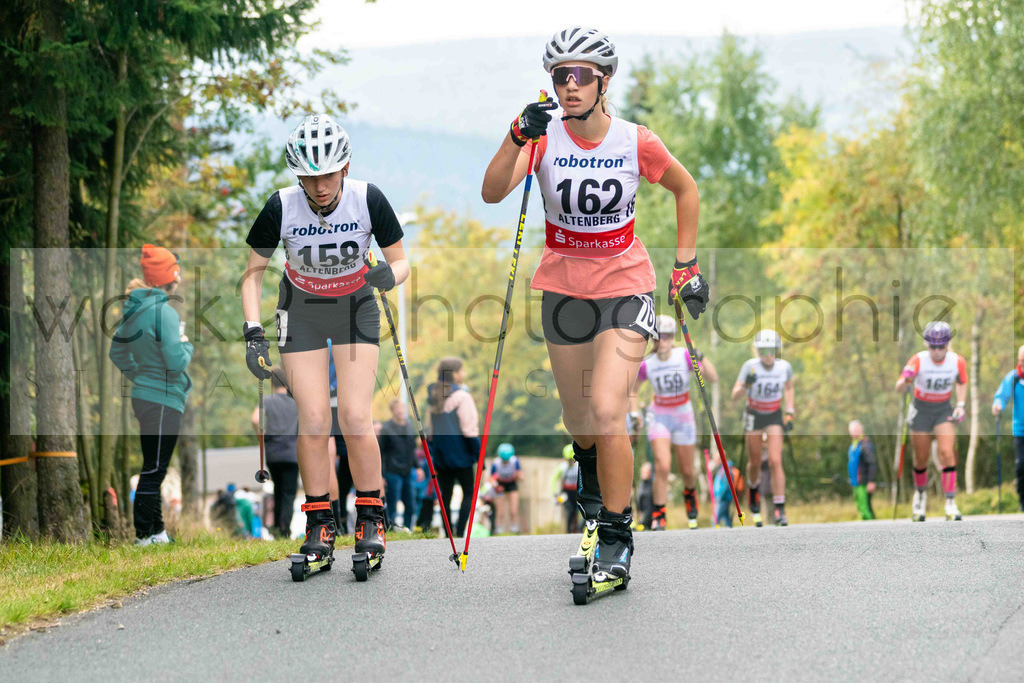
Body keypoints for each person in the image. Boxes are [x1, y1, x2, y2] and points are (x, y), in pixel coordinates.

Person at [481, 26, 706, 583]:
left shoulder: (635, 140)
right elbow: (491, 192)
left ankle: (615, 535)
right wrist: (514, 136)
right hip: (562, 287)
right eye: (560, 76)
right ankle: (589, 488)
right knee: (579, 420)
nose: (570, 85)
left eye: (582, 75)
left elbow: (686, 189)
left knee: (610, 411)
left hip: (627, 284)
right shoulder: (542, 135)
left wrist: (687, 266)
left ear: (605, 80)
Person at [241, 114, 407, 567]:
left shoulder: (368, 199)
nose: (320, 186)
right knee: (313, 418)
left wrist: (388, 276)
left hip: (355, 306)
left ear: (345, 168)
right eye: (310, 177)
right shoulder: (281, 206)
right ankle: (318, 524)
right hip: (300, 311)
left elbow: (402, 262)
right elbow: (252, 276)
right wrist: (253, 330)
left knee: (354, 415)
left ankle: (371, 518)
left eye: (329, 175)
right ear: (299, 174)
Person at [109, 245, 193, 546]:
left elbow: (117, 353)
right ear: (169, 277)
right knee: (155, 468)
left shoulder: (133, 311)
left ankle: (157, 533)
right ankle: (144, 535)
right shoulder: (165, 314)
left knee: (154, 465)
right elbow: (177, 362)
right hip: (162, 399)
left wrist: (140, 377)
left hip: (147, 396)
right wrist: (186, 344)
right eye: (176, 269)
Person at [630, 315, 717, 530]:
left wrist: (701, 357)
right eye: (658, 338)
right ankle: (660, 513)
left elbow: (712, 378)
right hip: (659, 415)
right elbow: (632, 390)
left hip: (683, 415)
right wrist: (635, 414)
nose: (663, 342)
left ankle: (690, 498)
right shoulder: (647, 363)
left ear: (673, 337)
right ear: (653, 340)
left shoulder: (684, 355)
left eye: (667, 337)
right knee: (663, 466)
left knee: (687, 470)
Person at [896, 321, 968, 522]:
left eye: (941, 347)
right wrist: (905, 380)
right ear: (927, 345)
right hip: (921, 410)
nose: (937, 351)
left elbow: (962, 382)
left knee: (946, 452)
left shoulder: (957, 361)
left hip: (943, 409)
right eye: (933, 346)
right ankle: (919, 497)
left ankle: (950, 502)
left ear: (947, 345)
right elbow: (899, 387)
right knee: (921, 457)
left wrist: (960, 404)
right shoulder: (918, 360)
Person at [731, 329, 795, 527]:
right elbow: (735, 395)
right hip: (754, 415)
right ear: (758, 351)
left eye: (772, 350)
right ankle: (753, 489)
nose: (768, 355)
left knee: (776, 460)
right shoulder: (750, 367)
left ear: (777, 350)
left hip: (774, 414)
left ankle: (779, 508)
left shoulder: (784, 367)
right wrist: (745, 386)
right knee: (755, 461)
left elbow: (789, 387)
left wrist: (790, 411)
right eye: (763, 350)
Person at [427, 357, 481, 537]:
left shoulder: (434, 396)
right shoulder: (462, 396)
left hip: (441, 455)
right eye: (462, 370)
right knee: (469, 494)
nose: (463, 374)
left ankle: (448, 531)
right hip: (462, 453)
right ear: (455, 374)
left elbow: (431, 431)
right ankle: (459, 532)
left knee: (445, 496)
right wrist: (478, 453)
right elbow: (469, 429)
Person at [251, 367, 299, 538]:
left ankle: (278, 528)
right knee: (288, 492)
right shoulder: (295, 401)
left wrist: (261, 437)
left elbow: (256, 419)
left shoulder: (268, 400)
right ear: (287, 382)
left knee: (278, 488)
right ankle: (284, 528)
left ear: (272, 382)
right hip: (292, 452)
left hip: (272, 452)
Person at [991, 344, 1024, 512]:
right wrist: (998, 405)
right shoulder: (1014, 378)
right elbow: (1001, 396)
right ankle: (1022, 499)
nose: (1023, 365)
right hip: (1020, 430)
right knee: (1020, 466)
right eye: (1021, 361)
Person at [379, 398, 418, 530]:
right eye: (398, 409)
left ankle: (407, 529)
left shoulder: (409, 425)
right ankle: (391, 528)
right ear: (393, 411)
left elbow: (412, 448)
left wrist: (417, 467)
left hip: (407, 470)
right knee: (392, 503)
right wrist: (381, 475)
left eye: (402, 408)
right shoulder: (386, 428)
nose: (401, 411)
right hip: (392, 471)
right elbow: (380, 452)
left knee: (411, 503)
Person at [847, 420, 877, 520]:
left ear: (861, 429)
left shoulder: (865, 444)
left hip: (864, 482)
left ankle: (874, 530)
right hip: (855, 482)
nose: (853, 432)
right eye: (851, 430)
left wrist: (871, 481)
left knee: (866, 509)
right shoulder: (853, 445)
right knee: (860, 508)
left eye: (855, 429)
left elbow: (871, 464)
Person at [490, 443, 523, 533]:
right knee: (500, 511)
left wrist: (516, 476)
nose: (505, 462)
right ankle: (499, 530)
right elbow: (491, 479)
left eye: (507, 460)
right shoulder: (496, 463)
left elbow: (520, 476)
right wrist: (496, 485)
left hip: (512, 485)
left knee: (514, 510)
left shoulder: (514, 461)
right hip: (500, 486)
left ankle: (515, 529)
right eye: (504, 461)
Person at [553, 443, 580, 533]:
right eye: (568, 460)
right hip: (565, 493)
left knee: (577, 511)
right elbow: (553, 480)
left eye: (572, 460)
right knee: (570, 510)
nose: (570, 462)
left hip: (576, 492)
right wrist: (555, 493)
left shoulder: (578, 466)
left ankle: (577, 529)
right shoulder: (562, 467)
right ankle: (568, 531)